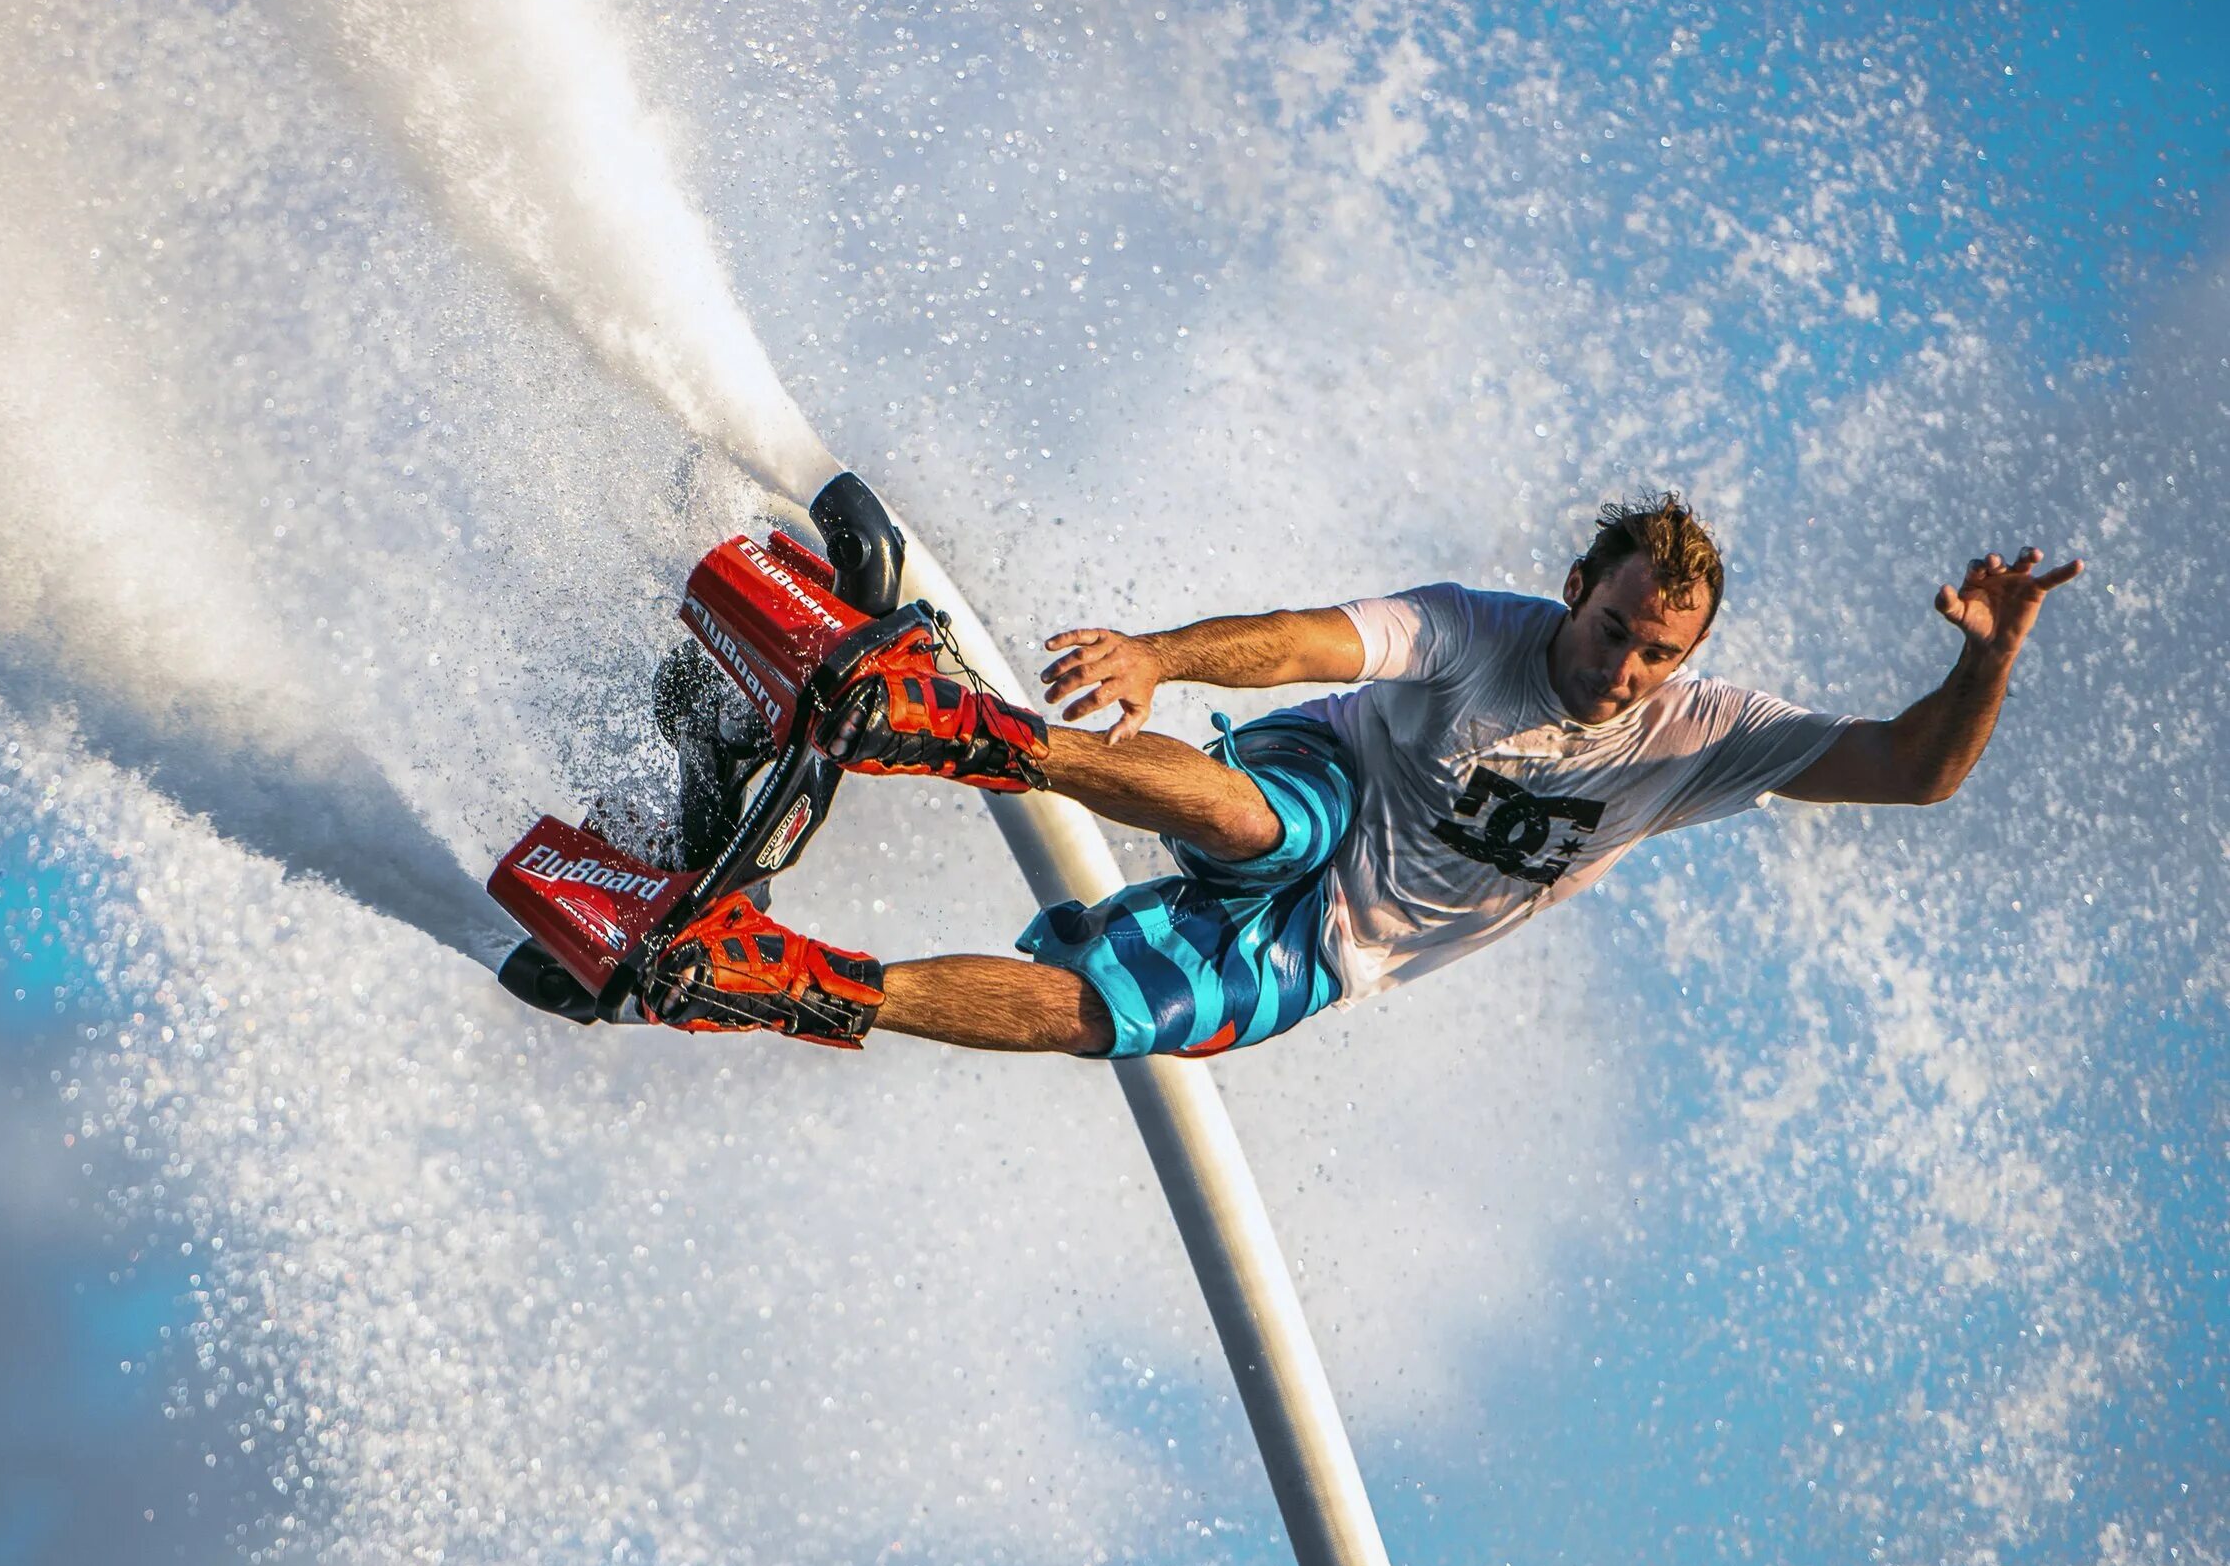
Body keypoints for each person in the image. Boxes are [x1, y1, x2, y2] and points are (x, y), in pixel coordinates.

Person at [638, 494, 2082, 1056]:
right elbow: (1304, 640)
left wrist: (1989, 654)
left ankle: (773, 978)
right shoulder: (1483, 629)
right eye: (1611, 630)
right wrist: (1160, 654)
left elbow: (1912, 772)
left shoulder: (1698, 736)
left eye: (1654, 654)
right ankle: (929, 725)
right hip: (1329, 786)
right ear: (1573, 588)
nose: (1622, 671)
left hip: (1345, 949)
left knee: (1112, 1021)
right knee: (1255, 817)